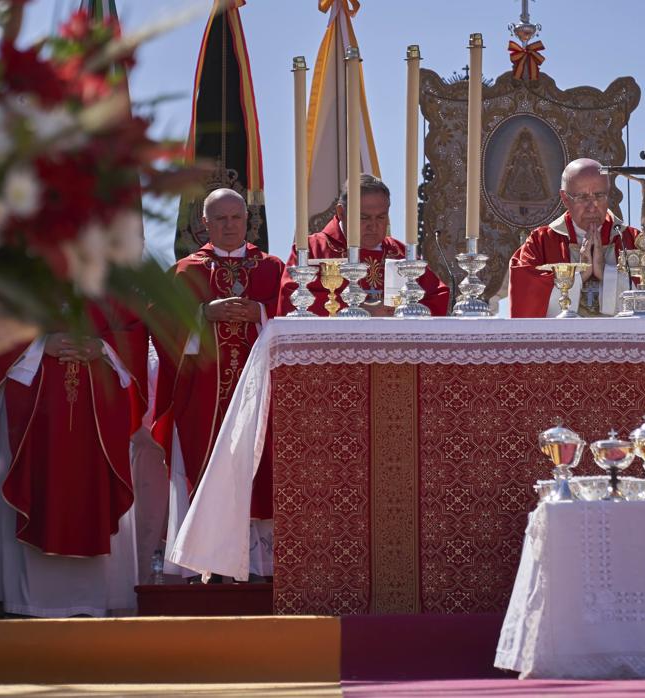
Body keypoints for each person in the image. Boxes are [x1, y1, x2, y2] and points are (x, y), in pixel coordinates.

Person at [0, 304, 142, 618]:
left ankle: (91, 601)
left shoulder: (105, 268)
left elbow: (134, 327)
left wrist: (101, 346)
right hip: (32, 395)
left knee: (89, 490)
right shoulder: (26, 269)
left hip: (97, 403)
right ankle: (27, 604)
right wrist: (37, 344)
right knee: (36, 484)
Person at [155, 187, 285, 580]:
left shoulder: (272, 269)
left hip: (261, 392)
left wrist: (261, 312)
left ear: (249, 221)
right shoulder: (186, 271)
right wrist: (201, 314)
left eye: (237, 218)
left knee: (259, 468)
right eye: (221, 219)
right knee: (204, 464)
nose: (230, 226)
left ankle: (259, 566)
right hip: (203, 394)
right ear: (204, 224)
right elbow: (161, 326)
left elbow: (293, 319)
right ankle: (202, 563)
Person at [278, 174, 449, 317]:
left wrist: (404, 312)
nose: (373, 226)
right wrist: (359, 310)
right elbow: (291, 300)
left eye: (381, 217)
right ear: (341, 213)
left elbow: (437, 296)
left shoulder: (400, 253)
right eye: (364, 217)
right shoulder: (311, 250)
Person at [509, 158, 645, 317]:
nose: (592, 206)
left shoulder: (633, 240)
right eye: (582, 197)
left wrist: (606, 273)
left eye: (599, 195)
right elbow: (525, 300)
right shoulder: (541, 243)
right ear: (565, 198)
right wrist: (580, 276)